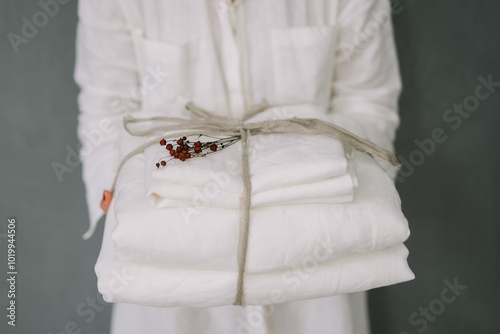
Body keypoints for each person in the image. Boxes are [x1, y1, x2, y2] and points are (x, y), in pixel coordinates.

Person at [74, 0, 402, 333]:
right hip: (168, 277)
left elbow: (367, 99)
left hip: (319, 268)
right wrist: (121, 207)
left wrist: (358, 204)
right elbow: (108, 103)